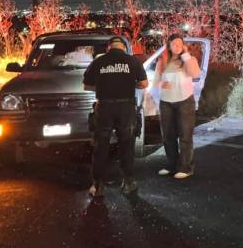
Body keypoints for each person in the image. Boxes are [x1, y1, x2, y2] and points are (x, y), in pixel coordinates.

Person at [84, 36, 148, 198]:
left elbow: (86, 85)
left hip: (104, 108)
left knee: (101, 145)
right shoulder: (132, 61)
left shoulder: (99, 61)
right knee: (127, 145)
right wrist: (129, 84)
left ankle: (98, 185)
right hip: (126, 108)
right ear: (124, 47)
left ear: (109, 48)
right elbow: (144, 84)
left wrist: (104, 85)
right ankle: (128, 182)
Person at [152, 34, 200, 179]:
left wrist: (186, 54)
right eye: (174, 44)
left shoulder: (189, 59)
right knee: (168, 136)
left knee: (185, 136)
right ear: (169, 45)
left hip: (185, 102)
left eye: (180, 43)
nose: (178, 46)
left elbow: (195, 74)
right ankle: (172, 165)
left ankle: (186, 168)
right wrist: (162, 84)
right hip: (166, 102)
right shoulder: (162, 61)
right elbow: (155, 82)